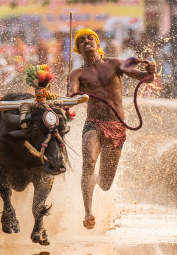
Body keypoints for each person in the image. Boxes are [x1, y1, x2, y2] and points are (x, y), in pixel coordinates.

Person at [67, 28, 156, 229]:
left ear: (98, 45)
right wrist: (69, 97)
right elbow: (71, 94)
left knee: (105, 184)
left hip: (117, 127)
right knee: (88, 163)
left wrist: (151, 70)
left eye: (90, 38)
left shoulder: (116, 63)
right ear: (78, 49)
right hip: (93, 124)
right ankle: (88, 213)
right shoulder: (78, 73)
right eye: (81, 40)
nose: (87, 41)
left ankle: (95, 181)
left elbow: (145, 78)